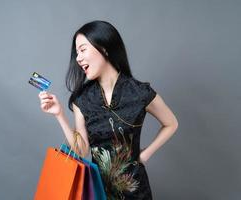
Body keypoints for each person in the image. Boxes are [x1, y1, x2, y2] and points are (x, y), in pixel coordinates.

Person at [38, 20, 178, 200]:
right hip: (99, 192)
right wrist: (59, 115)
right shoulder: (82, 99)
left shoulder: (139, 93)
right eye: (76, 52)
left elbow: (171, 123)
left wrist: (145, 154)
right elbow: (81, 151)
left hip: (136, 192)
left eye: (82, 49)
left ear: (104, 48)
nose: (78, 58)